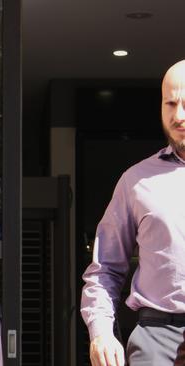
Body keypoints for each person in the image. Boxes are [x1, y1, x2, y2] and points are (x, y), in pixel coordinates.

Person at [81, 60, 185, 366]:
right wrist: (101, 332)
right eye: (170, 103)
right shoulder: (135, 181)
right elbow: (104, 270)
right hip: (157, 339)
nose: (178, 115)